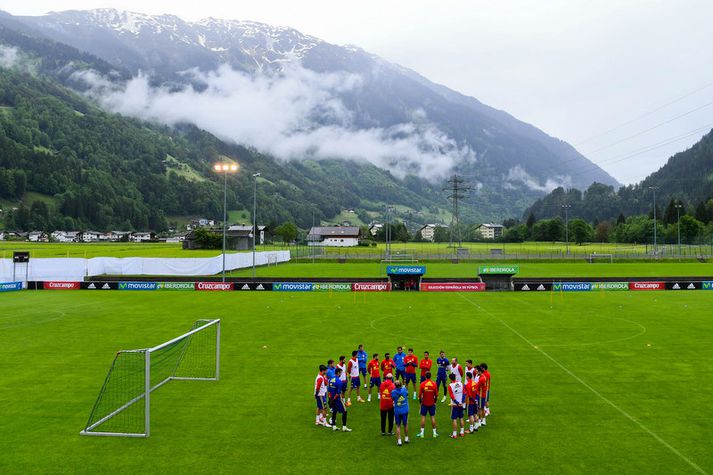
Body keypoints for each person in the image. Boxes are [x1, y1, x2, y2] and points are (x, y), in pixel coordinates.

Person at [328, 368, 351, 432]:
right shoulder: (339, 381)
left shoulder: (330, 380)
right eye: (340, 373)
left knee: (334, 412)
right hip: (337, 399)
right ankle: (344, 427)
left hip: (332, 398)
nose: (341, 374)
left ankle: (334, 426)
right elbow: (338, 393)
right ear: (338, 373)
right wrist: (334, 399)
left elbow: (329, 391)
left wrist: (331, 399)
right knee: (345, 411)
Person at [416, 371, 438, 438]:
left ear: (425, 376)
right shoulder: (434, 384)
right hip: (431, 403)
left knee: (423, 417)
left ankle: (422, 433)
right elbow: (436, 395)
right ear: (430, 376)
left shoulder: (422, 384)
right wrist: (434, 402)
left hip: (424, 404)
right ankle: (434, 433)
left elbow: (419, 395)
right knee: (433, 417)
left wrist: (420, 403)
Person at [391, 380, 410, 446]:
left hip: (397, 411)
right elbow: (407, 394)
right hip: (405, 410)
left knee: (398, 425)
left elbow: (392, 398)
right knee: (405, 424)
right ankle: (406, 438)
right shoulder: (404, 389)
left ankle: (399, 441)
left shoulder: (393, 392)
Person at [448, 373, 466, 438]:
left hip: (455, 405)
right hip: (461, 404)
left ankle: (454, 434)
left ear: (450, 378)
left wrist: (457, 403)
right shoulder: (461, 384)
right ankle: (462, 432)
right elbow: (464, 393)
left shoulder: (450, 386)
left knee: (454, 419)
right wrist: (462, 402)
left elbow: (452, 396)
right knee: (461, 418)